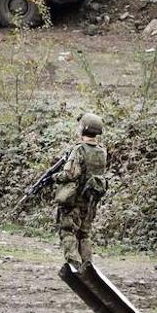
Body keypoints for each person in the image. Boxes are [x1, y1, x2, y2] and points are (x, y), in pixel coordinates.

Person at [52, 113, 108, 274]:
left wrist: (55, 177)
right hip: (91, 200)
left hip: (75, 200)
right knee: (84, 234)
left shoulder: (79, 150)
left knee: (68, 231)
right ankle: (88, 270)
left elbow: (70, 174)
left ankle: (75, 268)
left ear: (84, 128)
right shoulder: (101, 151)